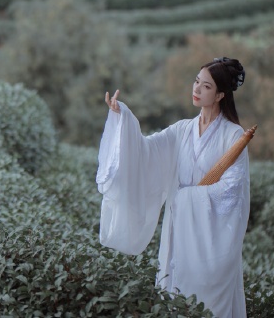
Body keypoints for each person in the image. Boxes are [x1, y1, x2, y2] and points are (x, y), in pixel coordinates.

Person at [96, 57, 250, 318]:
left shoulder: (233, 136)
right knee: (175, 301)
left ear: (221, 94)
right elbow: (145, 152)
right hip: (177, 234)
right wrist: (124, 118)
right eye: (196, 82)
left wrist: (187, 197)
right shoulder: (182, 130)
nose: (197, 89)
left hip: (210, 243)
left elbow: (233, 191)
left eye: (206, 86)